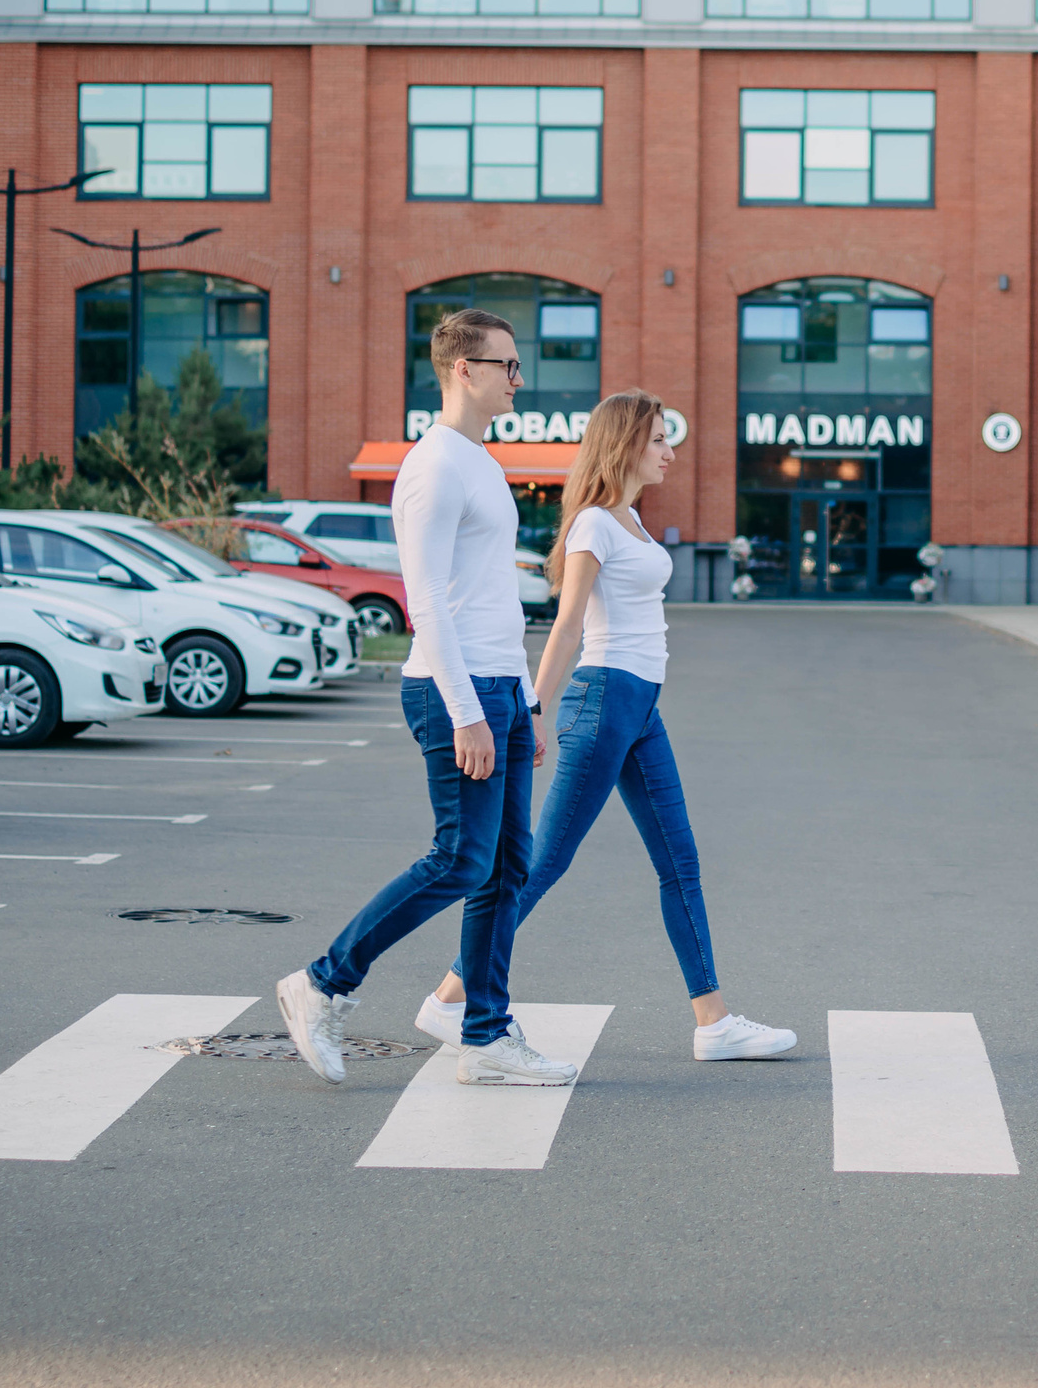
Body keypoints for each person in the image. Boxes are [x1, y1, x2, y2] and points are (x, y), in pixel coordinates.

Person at [415, 390, 797, 1063]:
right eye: (658, 441)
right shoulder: (594, 524)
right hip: (602, 701)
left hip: (640, 707)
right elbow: (567, 627)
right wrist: (531, 709)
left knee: (680, 860)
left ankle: (714, 1021)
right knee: (542, 861)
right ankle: (450, 995)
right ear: (624, 444)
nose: (670, 453)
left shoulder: (631, 519)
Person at [274, 309, 577, 1089]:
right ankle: (323, 981)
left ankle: (484, 1032)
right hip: (455, 692)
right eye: (506, 365)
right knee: (461, 858)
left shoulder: (482, 460)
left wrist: (521, 702)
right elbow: (428, 602)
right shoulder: (434, 465)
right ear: (462, 371)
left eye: (517, 364)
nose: (518, 377)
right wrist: (470, 712)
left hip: (498, 689)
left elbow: (490, 596)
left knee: (508, 865)